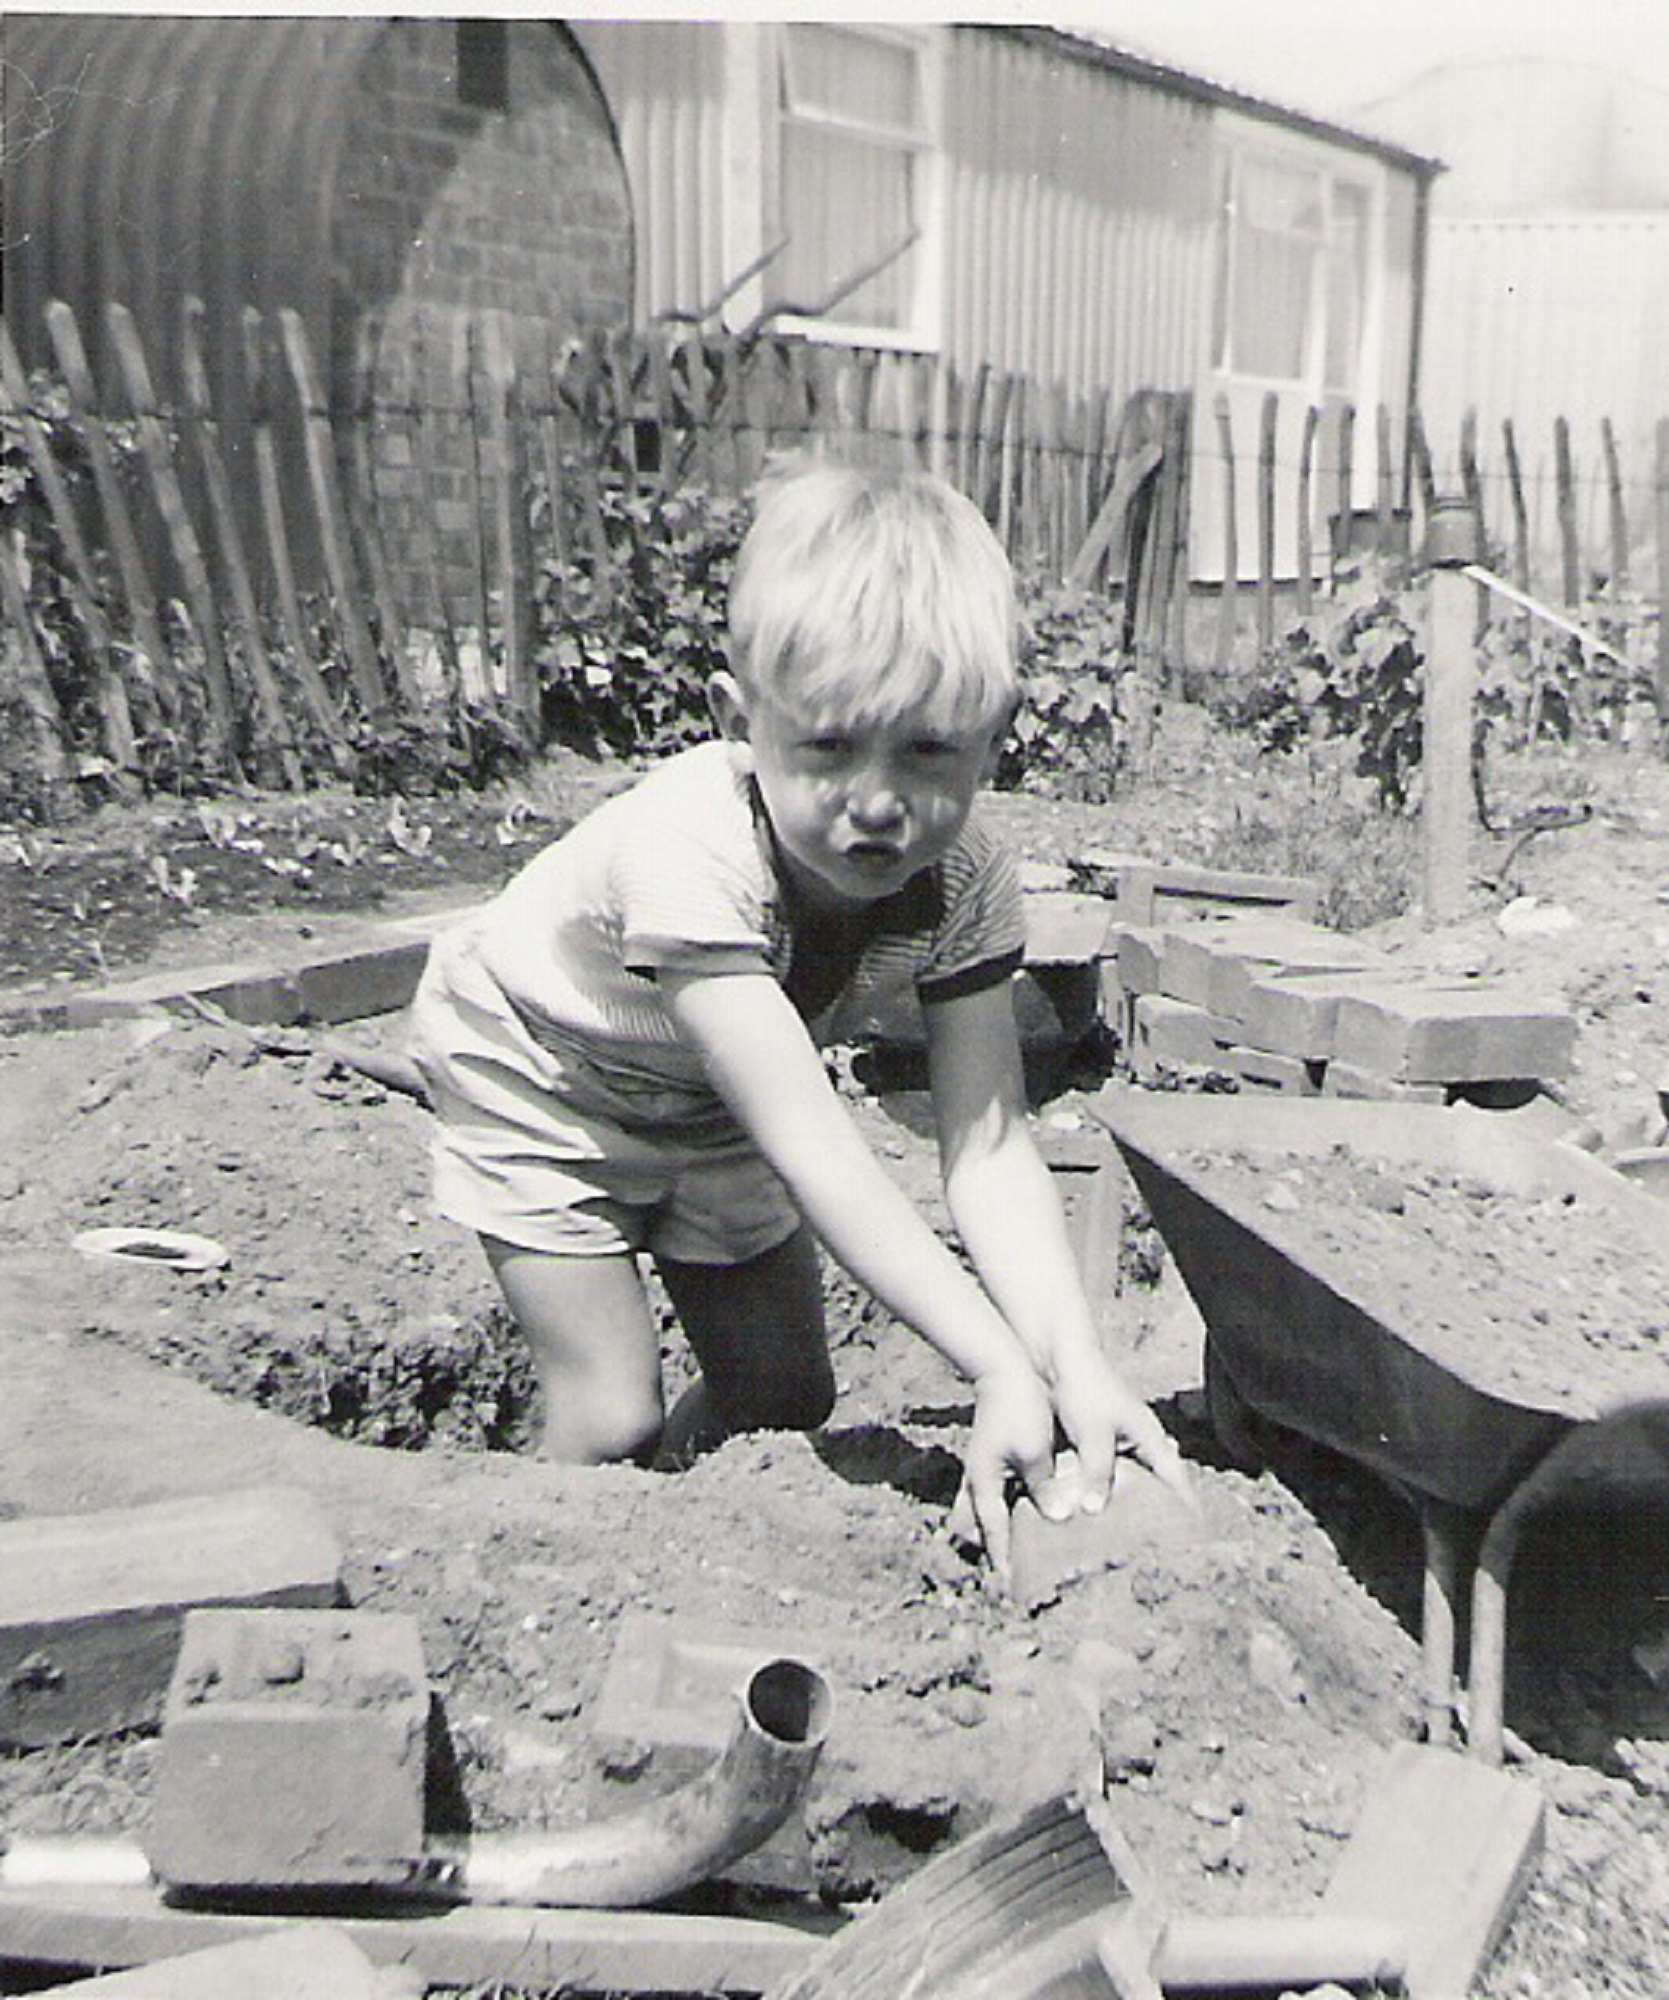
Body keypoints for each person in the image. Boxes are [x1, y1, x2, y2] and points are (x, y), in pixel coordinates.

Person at [407, 455, 1188, 1580]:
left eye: (926, 750)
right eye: (827, 747)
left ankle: (672, 1539)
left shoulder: (967, 885)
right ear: (742, 718)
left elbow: (987, 1145)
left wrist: (1069, 1361)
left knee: (782, 1399)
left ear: (992, 735)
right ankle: (520, 1587)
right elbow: (815, 1147)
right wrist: (990, 1362)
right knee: (611, 1407)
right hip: (547, 1075)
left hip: (708, 1101)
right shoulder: (692, 846)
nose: (876, 799)